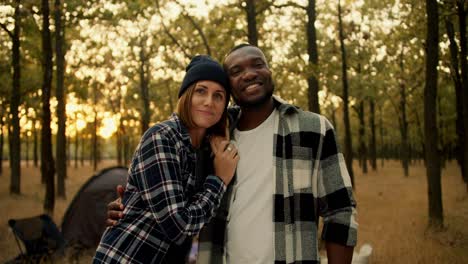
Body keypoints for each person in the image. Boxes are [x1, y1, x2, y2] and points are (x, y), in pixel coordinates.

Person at [107, 44, 358, 264]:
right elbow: (178, 207)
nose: (249, 73)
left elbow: (340, 211)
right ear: (231, 89)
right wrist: (131, 206)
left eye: (257, 65)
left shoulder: (313, 128)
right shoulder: (211, 139)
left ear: (269, 71)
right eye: (236, 71)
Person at [93, 55, 240, 264]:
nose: (209, 102)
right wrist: (220, 180)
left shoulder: (206, 148)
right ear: (186, 95)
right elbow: (178, 227)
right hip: (128, 257)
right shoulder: (162, 137)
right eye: (201, 91)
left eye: (219, 96)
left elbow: (250, 110)